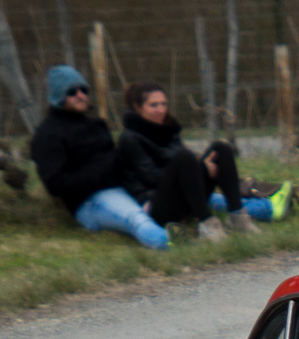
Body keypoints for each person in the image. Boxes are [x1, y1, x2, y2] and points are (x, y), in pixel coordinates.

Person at [115, 82, 289, 238]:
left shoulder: (168, 129)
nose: (161, 110)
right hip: (157, 207)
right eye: (153, 105)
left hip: (185, 195)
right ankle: (206, 223)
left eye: (164, 104)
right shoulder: (130, 138)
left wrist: (199, 166)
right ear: (137, 108)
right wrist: (201, 169)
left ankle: (237, 216)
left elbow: (183, 164)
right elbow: (152, 178)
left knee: (221, 149)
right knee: (185, 158)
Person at [31, 66, 171, 249]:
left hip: (123, 186)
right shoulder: (48, 134)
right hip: (90, 201)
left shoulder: (95, 124)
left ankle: (216, 208)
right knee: (136, 218)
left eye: (84, 90)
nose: (80, 95)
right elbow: (55, 183)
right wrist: (100, 172)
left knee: (175, 190)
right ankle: (168, 242)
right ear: (58, 96)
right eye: (72, 92)